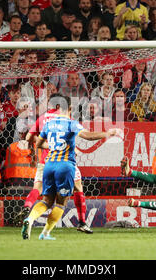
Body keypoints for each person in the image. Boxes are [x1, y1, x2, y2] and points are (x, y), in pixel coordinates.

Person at [21, 94, 119, 240]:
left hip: (48, 164)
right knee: (61, 202)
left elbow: (38, 143)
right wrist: (107, 133)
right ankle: (46, 233)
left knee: (46, 201)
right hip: (65, 166)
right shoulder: (71, 123)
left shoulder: (48, 124)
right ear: (70, 109)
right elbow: (87, 136)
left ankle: (30, 219)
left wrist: (54, 146)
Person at [15, 93, 94, 234]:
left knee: (39, 190)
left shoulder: (43, 118)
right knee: (76, 188)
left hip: (45, 162)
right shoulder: (64, 118)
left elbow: (28, 137)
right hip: (64, 161)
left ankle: (28, 208)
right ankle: (81, 222)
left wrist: (46, 145)